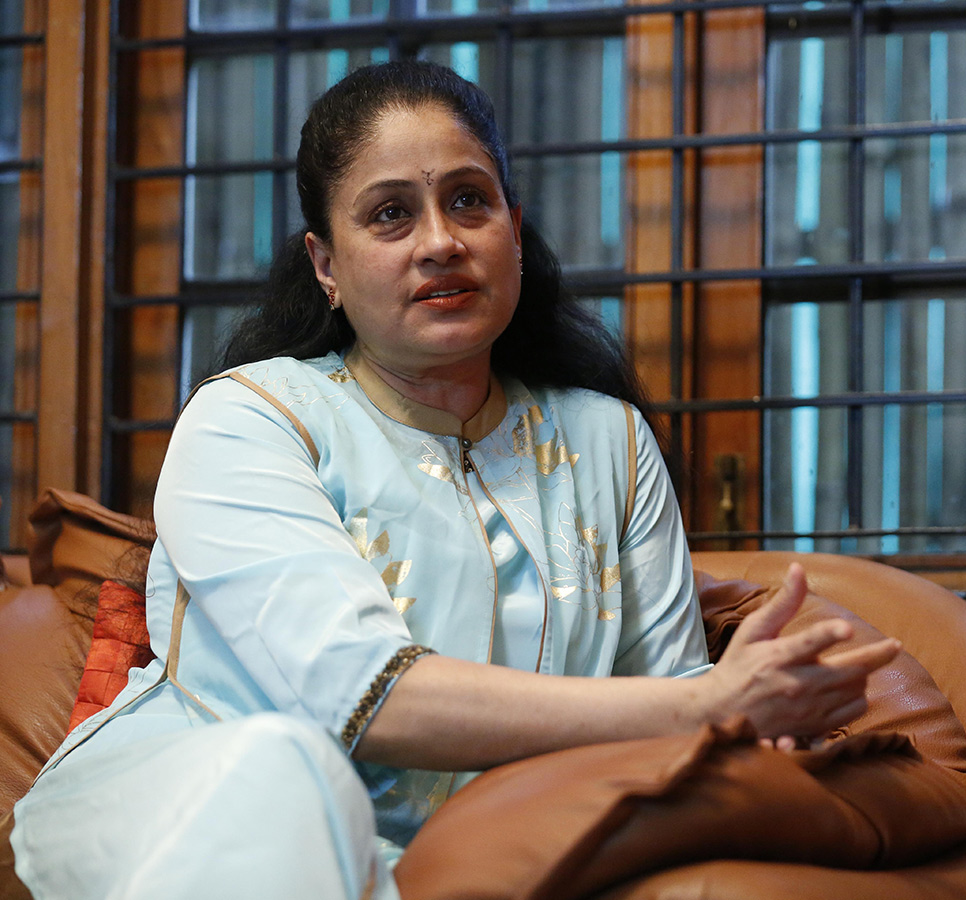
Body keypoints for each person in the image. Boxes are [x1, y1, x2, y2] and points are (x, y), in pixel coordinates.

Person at [11, 59, 900, 900]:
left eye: (469, 201)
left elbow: (667, 706)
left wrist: (742, 716)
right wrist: (703, 705)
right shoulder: (250, 418)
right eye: (390, 215)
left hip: (494, 847)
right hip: (190, 803)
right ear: (326, 265)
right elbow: (361, 698)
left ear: (514, 229)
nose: (440, 242)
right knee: (286, 768)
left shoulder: (611, 441)